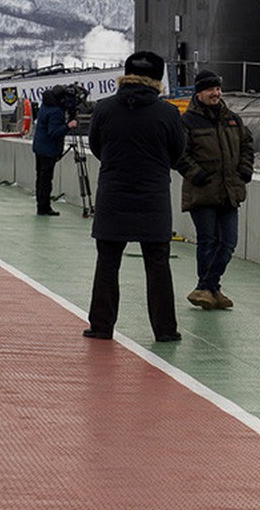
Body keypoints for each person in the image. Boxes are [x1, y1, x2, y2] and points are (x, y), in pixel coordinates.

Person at [83, 51, 186, 343]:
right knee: (157, 265)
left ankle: (101, 326)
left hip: (113, 195)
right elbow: (178, 152)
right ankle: (165, 330)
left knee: (107, 262)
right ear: (157, 78)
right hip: (152, 198)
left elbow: (97, 147)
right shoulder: (167, 113)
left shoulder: (104, 109)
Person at [176, 70, 255, 310]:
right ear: (199, 92)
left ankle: (207, 287)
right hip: (202, 191)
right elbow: (179, 153)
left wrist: (244, 170)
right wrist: (197, 174)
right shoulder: (187, 121)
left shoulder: (232, 118)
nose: (216, 93)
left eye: (218, 89)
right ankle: (210, 289)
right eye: (211, 89)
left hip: (229, 190)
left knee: (229, 242)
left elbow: (247, 145)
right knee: (208, 241)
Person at [31, 85, 77, 216]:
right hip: (48, 150)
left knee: (40, 178)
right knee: (46, 179)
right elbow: (54, 132)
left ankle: (41, 205)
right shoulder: (56, 111)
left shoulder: (45, 105)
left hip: (39, 147)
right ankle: (44, 207)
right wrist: (68, 126)